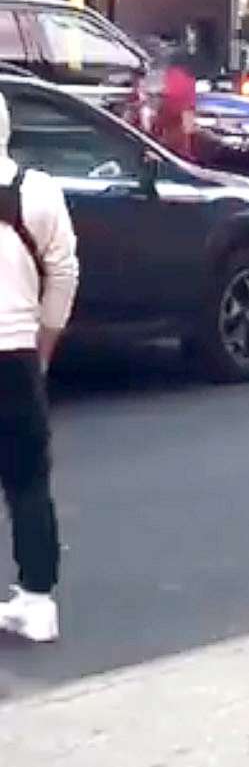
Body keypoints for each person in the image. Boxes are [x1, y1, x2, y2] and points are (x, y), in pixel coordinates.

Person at [0, 94, 79, 642]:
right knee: (27, 479)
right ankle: (36, 599)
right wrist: (42, 343)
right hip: (17, 355)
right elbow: (64, 274)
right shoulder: (38, 192)